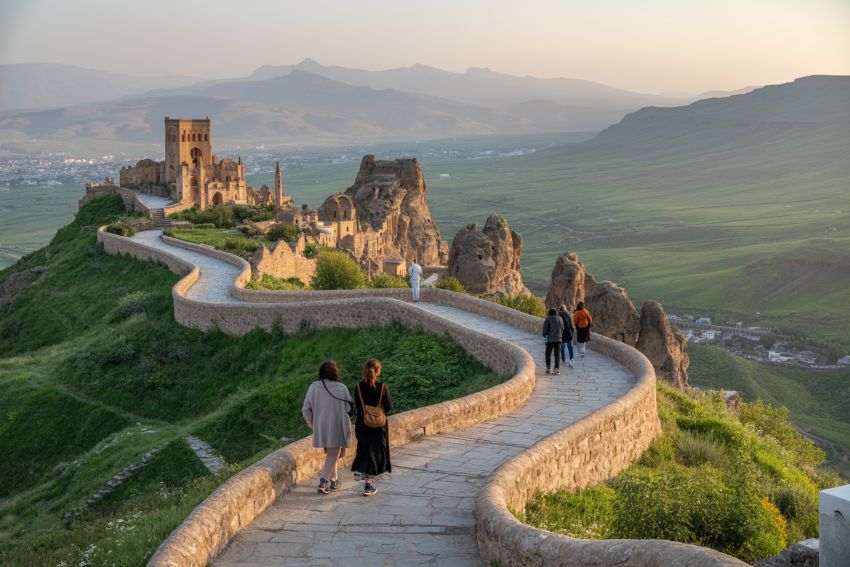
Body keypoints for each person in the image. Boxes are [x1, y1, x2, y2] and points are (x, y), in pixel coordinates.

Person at [302, 360, 354, 495]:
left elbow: (306, 409)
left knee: (332, 453)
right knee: (333, 453)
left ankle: (334, 480)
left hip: (321, 427)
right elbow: (349, 407)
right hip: (337, 426)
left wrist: (313, 424)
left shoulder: (314, 387)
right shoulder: (341, 388)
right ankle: (323, 481)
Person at [351, 359, 393, 496]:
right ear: (378, 371)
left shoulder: (358, 387)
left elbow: (357, 407)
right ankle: (368, 485)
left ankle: (361, 472)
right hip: (378, 427)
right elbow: (389, 406)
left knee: (364, 451)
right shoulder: (382, 387)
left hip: (362, 425)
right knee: (375, 454)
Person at [541, 308, 564, 375]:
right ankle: (556, 369)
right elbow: (562, 328)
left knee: (548, 354)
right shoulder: (560, 318)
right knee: (557, 354)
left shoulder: (548, 318)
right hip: (558, 339)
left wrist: (544, 335)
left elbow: (545, 328)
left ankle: (548, 369)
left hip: (550, 339)